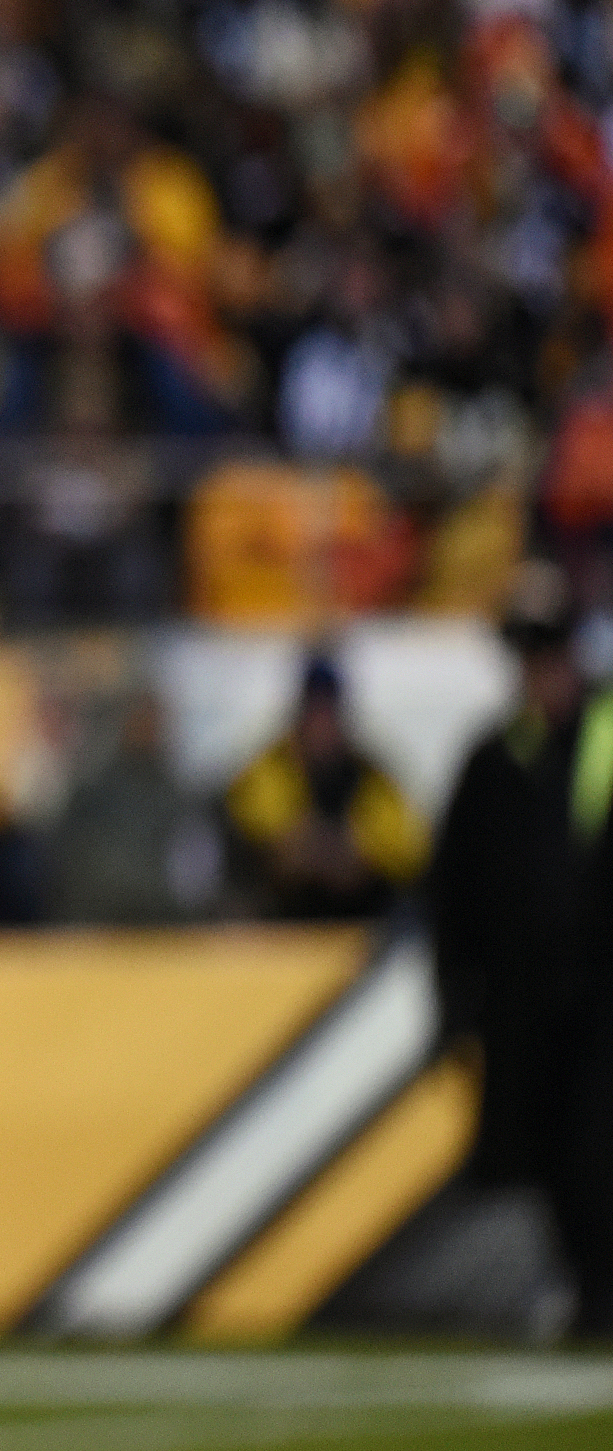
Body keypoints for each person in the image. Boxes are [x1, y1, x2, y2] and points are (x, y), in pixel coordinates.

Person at [431, 560, 611, 1323]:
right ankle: (583, 1284)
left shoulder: (600, 737)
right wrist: (455, 1001)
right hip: (527, 999)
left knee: (597, 1147)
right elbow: (452, 892)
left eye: (547, 652)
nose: (537, 672)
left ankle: (599, 1286)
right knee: (543, 1155)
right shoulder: (493, 758)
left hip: (604, 994)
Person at [221, 654, 425, 921]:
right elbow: (278, 848)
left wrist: (334, 853)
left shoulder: (370, 775)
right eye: (314, 711)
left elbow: (407, 851)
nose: (322, 723)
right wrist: (342, 852)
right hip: (280, 930)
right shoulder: (271, 767)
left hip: (360, 926)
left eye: (328, 711)